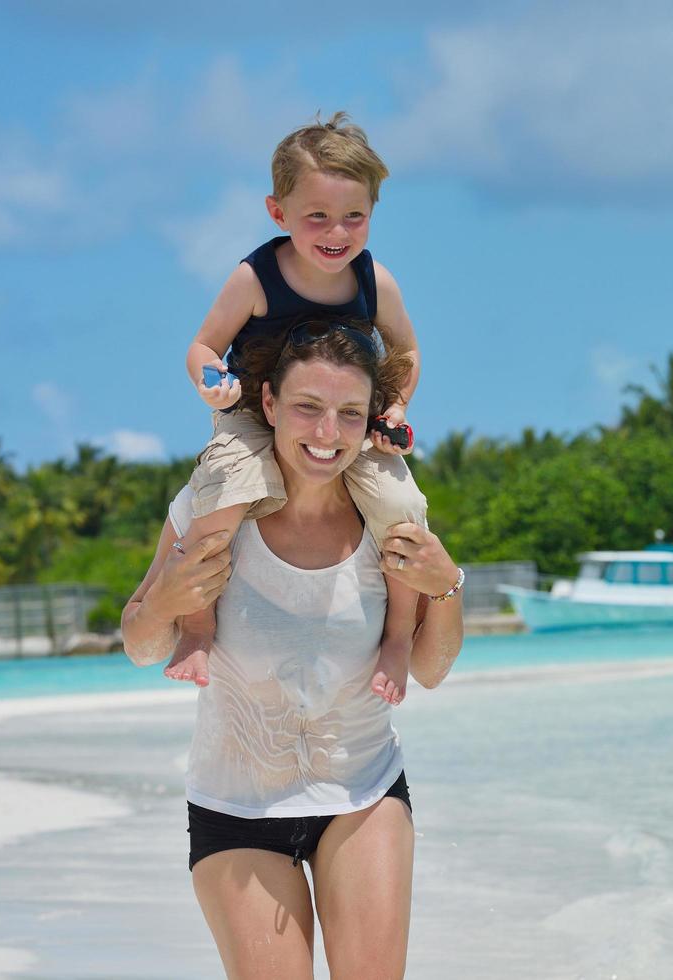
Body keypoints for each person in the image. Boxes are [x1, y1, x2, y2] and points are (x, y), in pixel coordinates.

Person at [120, 321, 465, 979]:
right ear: (270, 404)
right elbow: (140, 647)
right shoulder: (211, 509)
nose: (326, 432)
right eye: (308, 407)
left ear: (370, 422)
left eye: (347, 414)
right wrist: (166, 597)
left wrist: (447, 589)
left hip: (364, 794)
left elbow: (429, 667)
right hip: (235, 810)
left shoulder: (386, 520)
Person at [170, 112, 427, 706]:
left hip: (344, 422)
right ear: (278, 212)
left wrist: (395, 408)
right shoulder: (254, 278)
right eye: (317, 216)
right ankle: (198, 627)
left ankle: (396, 640)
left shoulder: (375, 282)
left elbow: (407, 350)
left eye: (354, 216)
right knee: (222, 496)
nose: (336, 231)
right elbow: (203, 345)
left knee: (402, 505)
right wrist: (211, 383)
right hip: (251, 411)